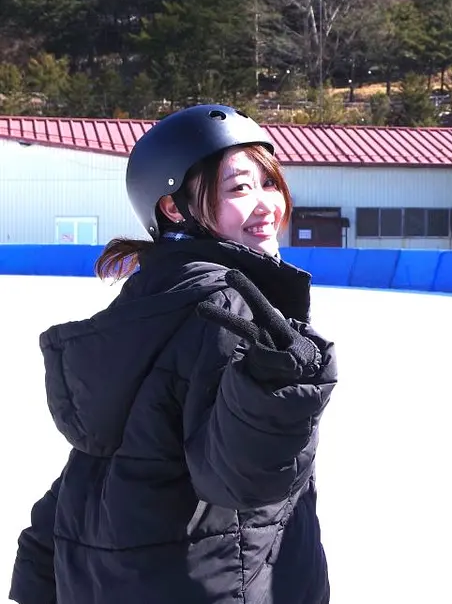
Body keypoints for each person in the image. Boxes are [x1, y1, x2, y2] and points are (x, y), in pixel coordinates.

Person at [8, 104, 338, 604]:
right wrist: (276, 388)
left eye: (269, 182)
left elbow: (111, 450)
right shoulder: (226, 304)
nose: (267, 204)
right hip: (215, 579)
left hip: (121, 572)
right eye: (239, 188)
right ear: (173, 207)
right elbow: (239, 480)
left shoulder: (153, 295)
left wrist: (41, 564)